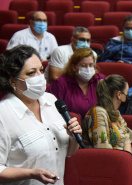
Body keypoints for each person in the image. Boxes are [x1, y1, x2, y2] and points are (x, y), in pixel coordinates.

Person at [0, 45, 82, 185]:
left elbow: (68, 152)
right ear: (13, 81)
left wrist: (73, 137)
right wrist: (31, 173)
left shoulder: (51, 100)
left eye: (41, 70)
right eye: (31, 73)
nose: (39, 77)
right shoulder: (3, 114)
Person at [82, 74, 132, 185]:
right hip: (107, 171)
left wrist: (129, 164)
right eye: (126, 93)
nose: (127, 96)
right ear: (119, 94)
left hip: (121, 165)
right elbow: (103, 150)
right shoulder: (98, 112)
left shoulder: (116, 113)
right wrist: (125, 167)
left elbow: (127, 139)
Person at [47, 48, 105, 118]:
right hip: (70, 126)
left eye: (91, 65)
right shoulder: (61, 83)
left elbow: (112, 105)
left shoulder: (100, 80)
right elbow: (50, 109)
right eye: (83, 65)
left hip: (98, 125)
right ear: (74, 67)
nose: (88, 69)